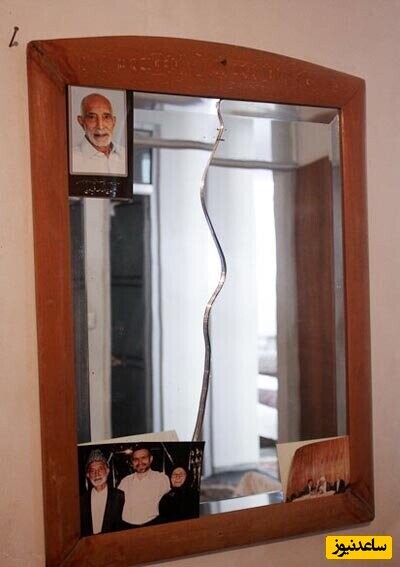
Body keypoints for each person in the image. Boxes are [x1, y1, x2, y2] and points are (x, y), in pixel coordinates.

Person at [72, 93, 126, 175]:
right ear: (81, 121)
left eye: (106, 117)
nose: (100, 126)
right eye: (92, 117)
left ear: (114, 121)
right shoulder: (71, 158)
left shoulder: (126, 155)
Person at [118, 446, 170, 527]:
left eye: (143, 458)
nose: (140, 462)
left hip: (153, 526)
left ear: (151, 459)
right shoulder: (125, 481)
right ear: (132, 462)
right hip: (128, 527)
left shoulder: (161, 479)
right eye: (136, 459)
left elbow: (168, 506)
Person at [80, 449, 125, 536]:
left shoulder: (119, 496)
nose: (97, 474)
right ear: (88, 475)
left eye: (100, 469)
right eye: (92, 471)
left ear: (107, 471)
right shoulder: (81, 500)